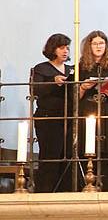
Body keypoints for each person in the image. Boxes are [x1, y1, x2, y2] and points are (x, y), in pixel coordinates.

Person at [77, 30, 108, 192]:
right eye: (95, 43)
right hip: (88, 113)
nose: (98, 46)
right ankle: (87, 187)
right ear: (89, 46)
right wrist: (83, 87)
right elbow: (72, 98)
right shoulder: (80, 68)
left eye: (101, 43)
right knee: (88, 154)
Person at [32, 33, 75, 193]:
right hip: (48, 118)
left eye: (67, 48)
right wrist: (53, 82)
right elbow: (35, 89)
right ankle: (45, 192)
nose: (65, 51)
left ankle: (65, 192)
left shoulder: (71, 70)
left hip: (69, 118)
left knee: (67, 156)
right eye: (61, 48)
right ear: (53, 49)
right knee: (50, 156)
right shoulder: (41, 68)